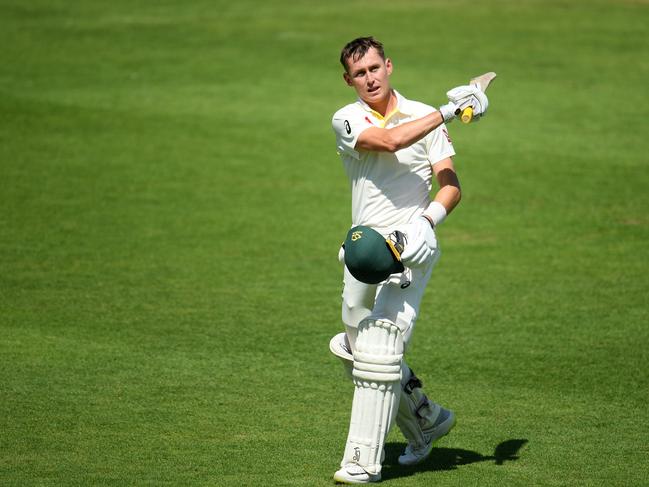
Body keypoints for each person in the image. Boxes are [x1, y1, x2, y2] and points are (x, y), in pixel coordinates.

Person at [328, 37, 488, 484]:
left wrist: (427, 221)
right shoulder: (346, 118)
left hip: (412, 244)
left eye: (375, 68)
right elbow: (391, 139)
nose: (369, 79)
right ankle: (425, 418)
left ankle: (362, 460)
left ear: (389, 66)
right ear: (348, 79)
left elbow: (451, 185)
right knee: (356, 347)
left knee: (380, 346)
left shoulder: (424, 114)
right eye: (359, 74)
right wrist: (451, 110)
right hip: (363, 249)